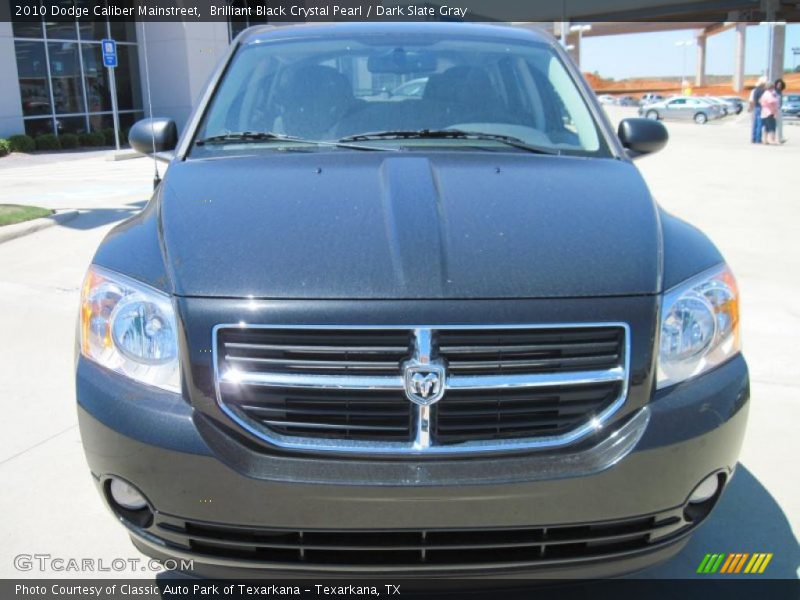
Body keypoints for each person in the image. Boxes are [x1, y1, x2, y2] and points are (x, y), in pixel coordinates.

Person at [749, 77, 766, 143]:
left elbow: (751, 100)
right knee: (760, 124)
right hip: (761, 107)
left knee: (755, 124)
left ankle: (753, 138)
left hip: (755, 107)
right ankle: (758, 139)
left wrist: (751, 108)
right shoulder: (763, 91)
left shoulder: (754, 90)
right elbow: (762, 100)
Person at [775, 78, 786, 143]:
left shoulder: (780, 92)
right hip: (775, 109)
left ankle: (780, 138)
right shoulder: (775, 92)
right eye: (778, 84)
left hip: (779, 109)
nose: (779, 86)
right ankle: (778, 138)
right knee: (776, 124)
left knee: (780, 124)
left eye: (780, 85)